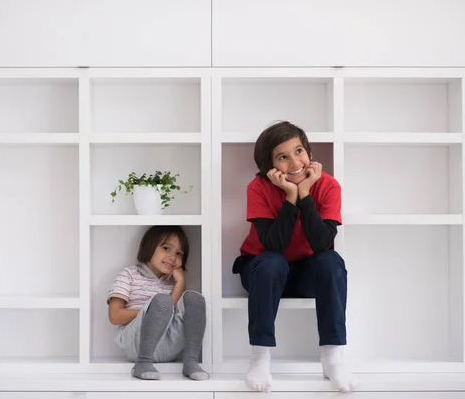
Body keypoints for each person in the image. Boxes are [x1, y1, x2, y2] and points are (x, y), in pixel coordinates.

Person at [233, 121, 356, 392]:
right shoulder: (258, 187)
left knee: (332, 261)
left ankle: (332, 357)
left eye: (298, 151)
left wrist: (305, 194)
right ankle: (259, 357)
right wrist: (291, 196)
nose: (294, 162)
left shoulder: (328, 186)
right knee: (271, 262)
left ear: (309, 152)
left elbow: (323, 243)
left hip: (304, 273)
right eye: (282, 157)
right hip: (261, 271)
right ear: (270, 166)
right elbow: (273, 246)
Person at [107, 225, 209, 381]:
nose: (172, 257)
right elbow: (115, 316)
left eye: (179, 253)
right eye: (166, 248)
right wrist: (150, 313)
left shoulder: (173, 283)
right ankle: (142, 362)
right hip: (136, 344)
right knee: (162, 301)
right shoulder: (129, 274)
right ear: (149, 246)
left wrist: (180, 283)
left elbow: (172, 312)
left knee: (194, 299)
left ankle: (191, 361)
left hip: (167, 346)